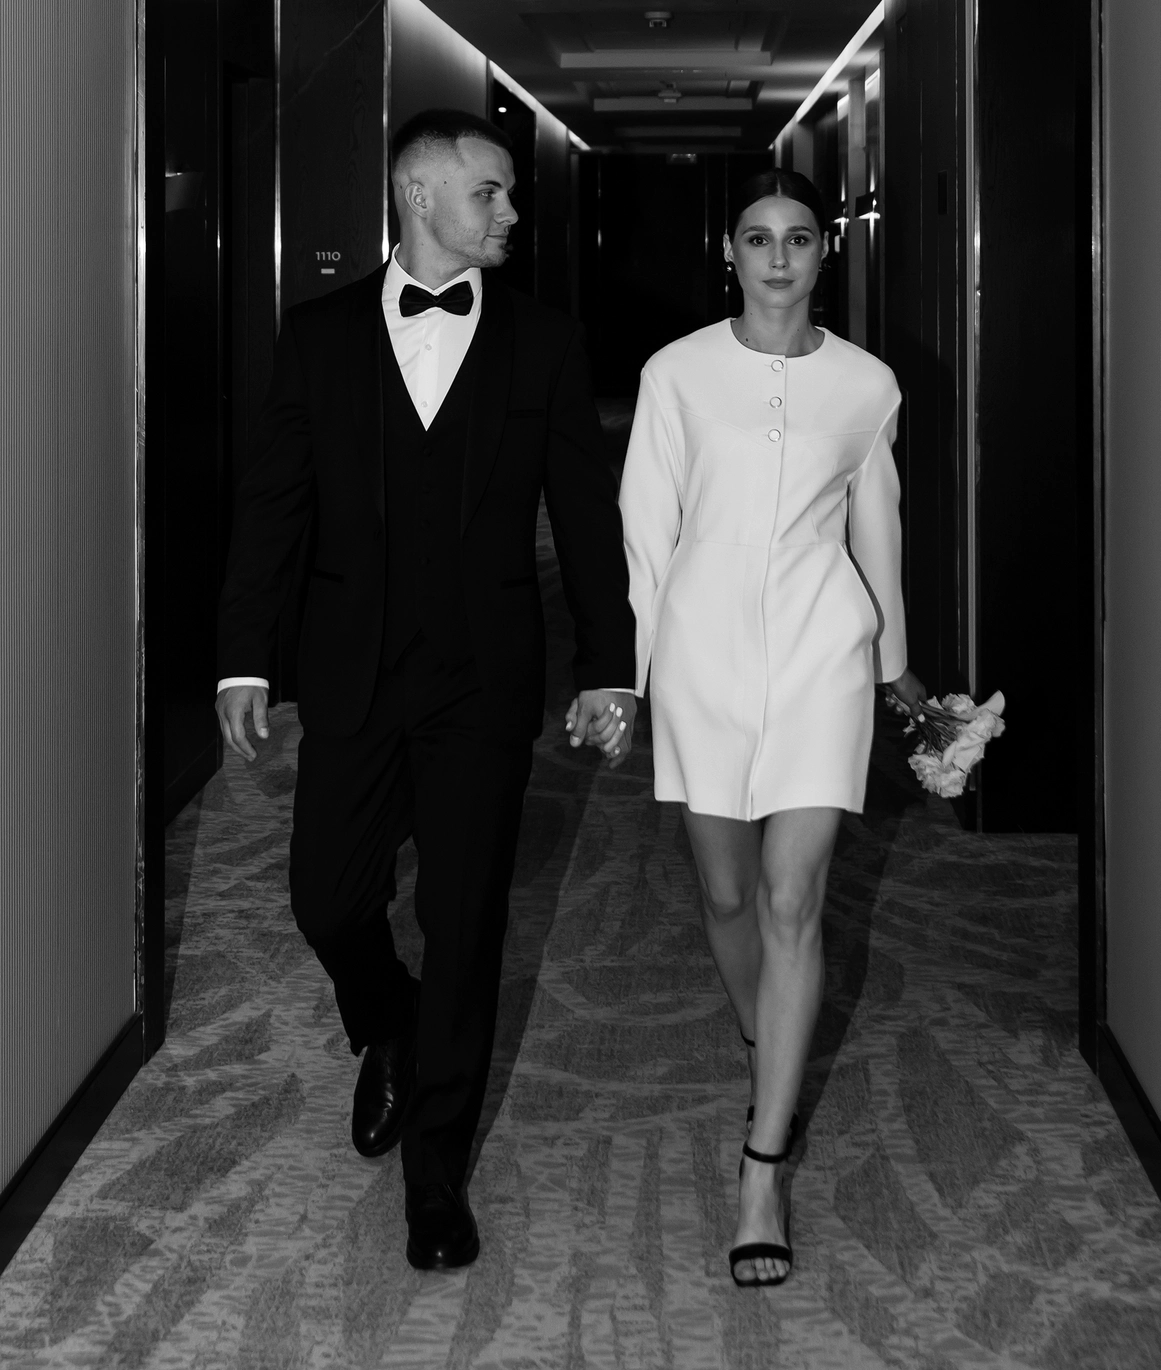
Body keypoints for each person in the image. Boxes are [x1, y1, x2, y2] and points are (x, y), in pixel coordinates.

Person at [215, 108, 637, 1272]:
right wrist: (245, 653)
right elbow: (273, 506)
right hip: (351, 671)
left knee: (465, 920)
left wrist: (608, 664)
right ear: (419, 195)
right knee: (324, 898)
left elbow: (585, 518)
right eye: (490, 192)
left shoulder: (544, 342)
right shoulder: (318, 336)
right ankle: (389, 1022)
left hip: (482, 683)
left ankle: (436, 1175)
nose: (511, 212)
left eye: (508, 195)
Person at [618, 168, 925, 1290]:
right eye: (759, 238)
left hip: (819, 652)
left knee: (795, 899)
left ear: (823, 251)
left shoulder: (867, 384)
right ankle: (767, 1047)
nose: (780, 257)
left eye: (799, 237)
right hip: (699, 651)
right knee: (728, 894)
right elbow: (645, 527)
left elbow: (878, 528)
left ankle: (763, 1167)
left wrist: (894, 671)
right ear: (731, 253)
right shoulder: (676, 373)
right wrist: (633, 677)